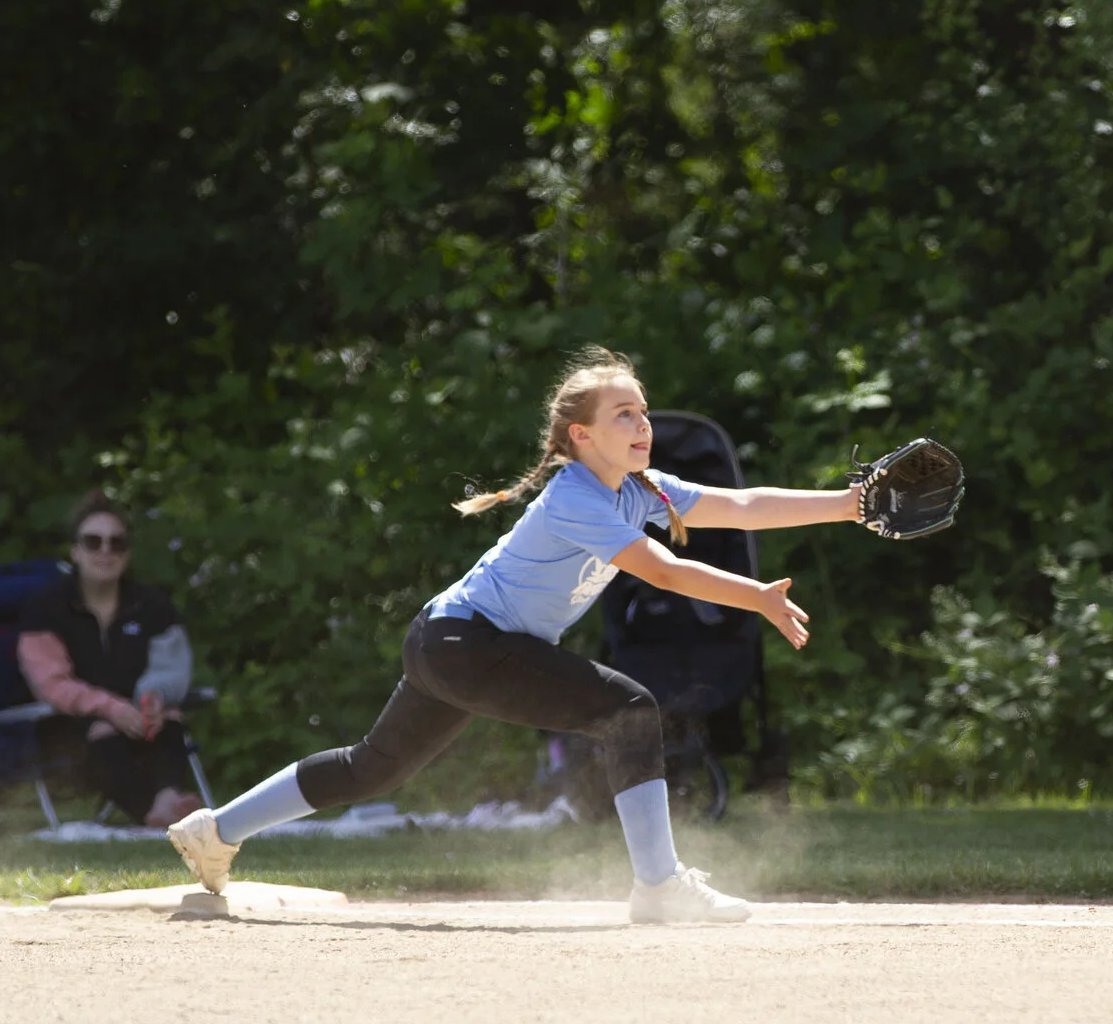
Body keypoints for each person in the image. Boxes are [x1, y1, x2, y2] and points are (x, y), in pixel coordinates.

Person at [166, 346, 865, 923]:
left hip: (447, 640)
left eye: (644, 410)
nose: (643, 423)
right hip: (464, 643)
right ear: (581, 436)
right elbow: (663, 570)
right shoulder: (575, 494)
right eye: (624, 413)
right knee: (629, 709)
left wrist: (847, 504)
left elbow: (740, 504)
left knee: (369, 768)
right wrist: (756, 597)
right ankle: (658, 887)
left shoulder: (641, 488)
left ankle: (214, 830)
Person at [16, 491, 203, 829]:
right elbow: (51, 684)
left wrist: (152, 699)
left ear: (127, 554)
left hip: (140, 713)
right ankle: (150, 811)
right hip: (69, 721)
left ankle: (167, 801)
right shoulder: (45, 607)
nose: (105, 551)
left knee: (169, 717)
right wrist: (111, 708)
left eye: (116, 543)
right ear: (75, 551)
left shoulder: (152, 605)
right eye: (93, 542)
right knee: (103, 729)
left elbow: (171, 667)